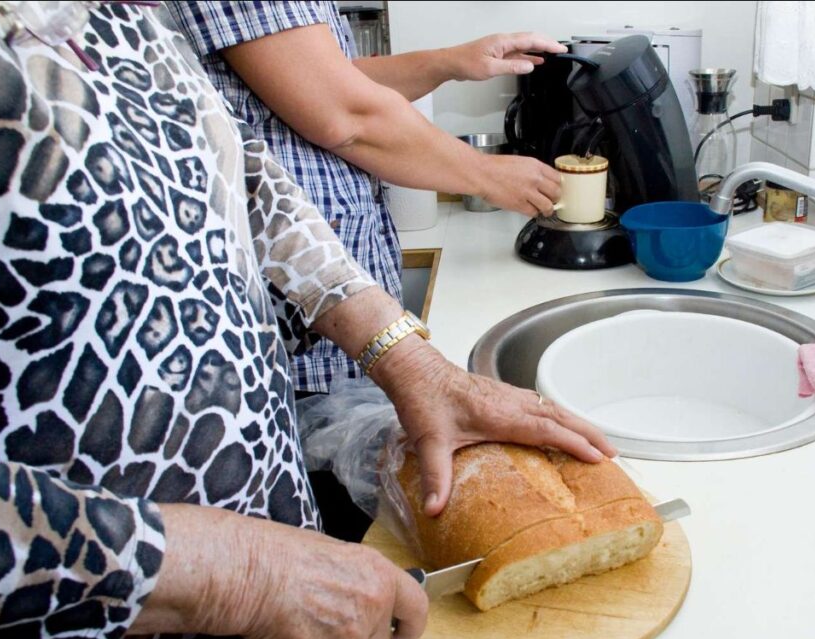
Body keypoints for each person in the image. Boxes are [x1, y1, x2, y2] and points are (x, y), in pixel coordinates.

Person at [0, 2, 614, 639]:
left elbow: (250, 183)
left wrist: (407, 358)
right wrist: (232, 576)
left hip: (258, 618)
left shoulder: (118, 16)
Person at [164, 0, 568, 542]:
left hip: (342, 320)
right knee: (331, 536)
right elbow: (344, 112)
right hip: (299, 322)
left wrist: (448, 62)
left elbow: (321, 80)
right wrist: (484, 174)